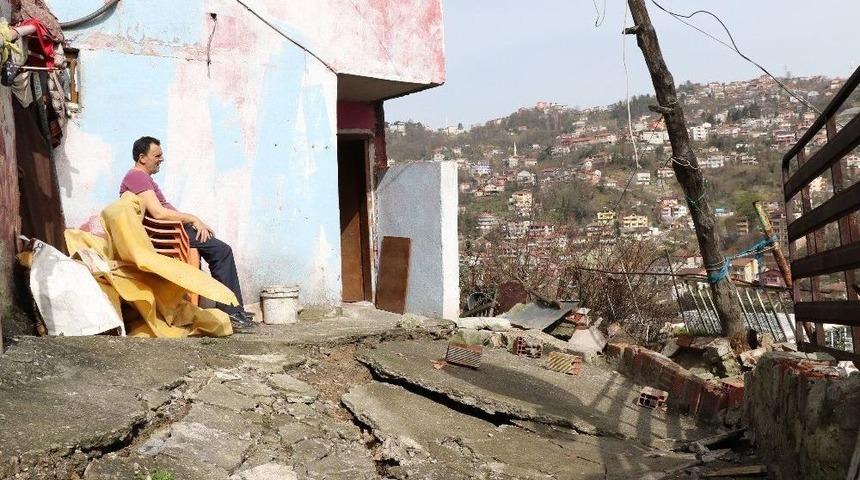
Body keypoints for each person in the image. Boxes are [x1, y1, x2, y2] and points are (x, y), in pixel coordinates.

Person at [119, 136, 256, 333]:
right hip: (168, 233)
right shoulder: (136, 176)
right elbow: (157, 213)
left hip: (174, 230)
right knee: (222, 251)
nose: (161, 159)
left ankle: (233, 311)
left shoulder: (142, 178)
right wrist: (192, 219)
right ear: (142, 158)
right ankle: (232, 313)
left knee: (218, 249)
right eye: (157, 155)